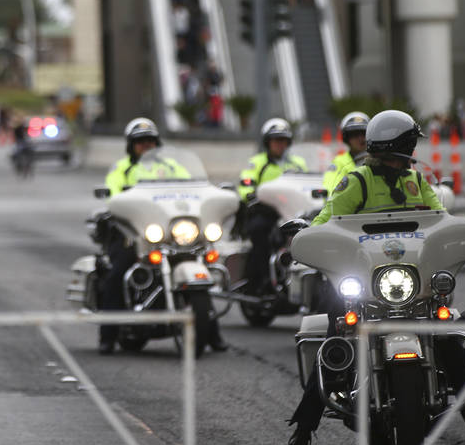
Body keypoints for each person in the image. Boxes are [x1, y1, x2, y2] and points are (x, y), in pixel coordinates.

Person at [284, 110, 465, 445]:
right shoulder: (356, 181)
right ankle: (302, 433)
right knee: (334, 348)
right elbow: (326, 220)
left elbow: (441, 221)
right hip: (363, 286)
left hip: (412, 286)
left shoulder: (416, 181)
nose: (413, 149)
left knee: (452, 344)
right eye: (411, 142)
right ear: (403, 144)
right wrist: (305, 233)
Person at [98, 118, 226, 353]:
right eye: (140, 142)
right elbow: (113, 197)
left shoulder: (171, 166)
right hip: (132, 232)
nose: (146, 145)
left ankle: (212, 332)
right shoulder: (122, 169)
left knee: (199, 267)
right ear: (131, 145)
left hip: (171, 232)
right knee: (118, 273)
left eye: (150, 141)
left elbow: (195, 188)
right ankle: (108, 334)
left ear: (157, 143)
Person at [238, 119, 307, 294]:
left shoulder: (298, 163)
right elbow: (246, 182)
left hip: (294, 212)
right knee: (259, 232)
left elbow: (308, 184)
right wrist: (250, 194)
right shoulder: (258, 162)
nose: (279, 144)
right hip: (267, 211)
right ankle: (261, 280)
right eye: (276, 140)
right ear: (267, 142)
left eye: (283, 140)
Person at [322, 111, 369, 193]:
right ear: (346, 138)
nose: (360, 138)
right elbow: (331, 188)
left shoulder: (380, 159)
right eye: (354, 134)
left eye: (363, 133)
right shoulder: (340, 162)